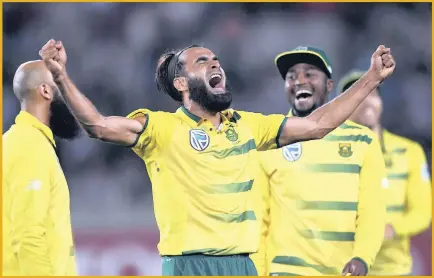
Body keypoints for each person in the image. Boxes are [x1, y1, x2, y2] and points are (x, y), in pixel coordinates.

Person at [38, 39, 395, 276]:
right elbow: (98, 125)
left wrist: (372, 77)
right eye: (202, 61)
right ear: (181, 84)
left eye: (217, 60)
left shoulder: (249, 126)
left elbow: (318, 124)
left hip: (242, 266)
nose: (215, 64)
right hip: (188, 265)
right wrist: (61, 76)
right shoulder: (160, 129)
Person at [250, 46, 388, 276]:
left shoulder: (362, 140)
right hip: (285, 270)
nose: (299, 81)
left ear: (329, 86)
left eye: (310, 74)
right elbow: (258, 222)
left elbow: (371, 211)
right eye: (291, 76)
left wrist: (363, 258)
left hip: (343, 271)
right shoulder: (268, 143)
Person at [337, 70, 432, 276]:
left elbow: (424, 211)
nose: (366, 101)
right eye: (357, 96)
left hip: (393, 270)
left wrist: (393, 229)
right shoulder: (329, 155)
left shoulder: (409, 151)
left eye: (372, 93)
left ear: (381, 102)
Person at [3, 60, 81, 275]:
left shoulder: (21, 141)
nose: (70, 96)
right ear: (45, 91)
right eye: (62, 86)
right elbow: (29, 235)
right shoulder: (29, 146)